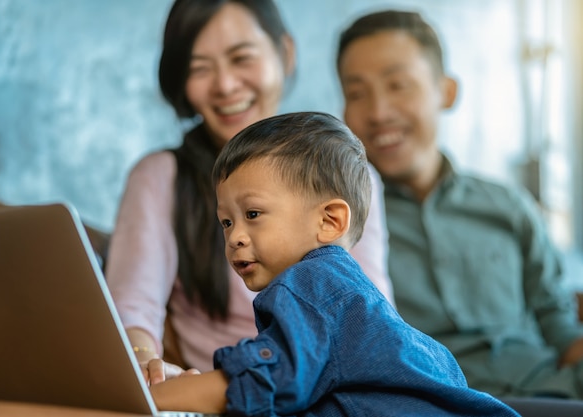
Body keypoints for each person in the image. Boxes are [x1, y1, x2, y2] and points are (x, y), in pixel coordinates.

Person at [145, 111, 518, 416]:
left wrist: (153, 398)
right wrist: (189, 388)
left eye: (253, 213)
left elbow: (263, 383)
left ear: (330, 221)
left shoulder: (316, 285)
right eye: (226, 222)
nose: (235, 236)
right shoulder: (339, 292)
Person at [105, 0, 393, 378]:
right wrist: (146, 365)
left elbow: (368, 318)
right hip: (226, 391)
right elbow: (132, 308)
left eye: (241, 58)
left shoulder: (347, 177)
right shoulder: (162, 177)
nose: (224, 85)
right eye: (199, 68)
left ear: (284, 54)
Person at [336, 9, 583, 399]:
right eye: (356, 94)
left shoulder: (507, 204)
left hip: (553, 390)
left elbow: (557, 318)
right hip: (436, 402)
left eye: (398, 85)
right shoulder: (342, 228)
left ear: (446, 91)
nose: (379, 112)